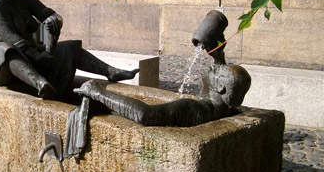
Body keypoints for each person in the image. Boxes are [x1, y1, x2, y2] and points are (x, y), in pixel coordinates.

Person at [0, 0, 138, 100]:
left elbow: (51, 16)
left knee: (70, 48)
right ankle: (40, 84)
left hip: (32, 55)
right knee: (7, 50)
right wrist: (39, 57)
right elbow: (12, 39)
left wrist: (53, 22)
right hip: (1, 65)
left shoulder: (27, 0)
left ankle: (110, 71)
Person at [74, 64, 251, 127]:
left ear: (219, 87)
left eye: (217, 69)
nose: (212, 66)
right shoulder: (227, 109)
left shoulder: (192, 107)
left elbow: (145, 115)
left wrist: (99, 93)